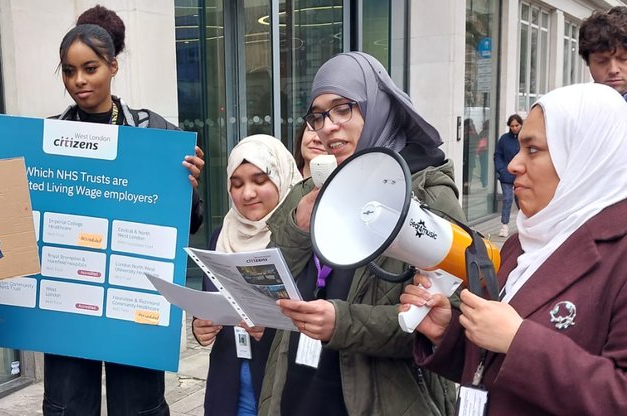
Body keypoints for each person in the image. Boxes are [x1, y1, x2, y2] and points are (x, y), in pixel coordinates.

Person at [405, 83, 627, 415]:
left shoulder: (619, 254)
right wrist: (446, 333)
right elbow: (490, 362)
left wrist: (520, 341)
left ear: (585, 156)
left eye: (533, 150)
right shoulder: (523, 241)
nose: (513, 165)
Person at [258, 52, 458, 416]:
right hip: (298, 389)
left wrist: (343, 323)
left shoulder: (428, 192)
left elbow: (445, 320)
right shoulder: (309, 191)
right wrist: (296, 229)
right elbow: (269, 281)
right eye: (317, 115)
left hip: (385, 399)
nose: (327, 126)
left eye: (343, 109)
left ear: (377, 107)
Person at [42, 6, 205, 416]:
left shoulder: (155, 133)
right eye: (69, 70)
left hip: (132, 298)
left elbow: (191, 223)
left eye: (90, 68)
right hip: (69, 297)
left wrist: (188, 188)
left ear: (113, 66)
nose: (78, 80)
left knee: (138, 407)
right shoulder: (46, 136)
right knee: (68, 406)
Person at [192, 134, 300, 416]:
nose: (247, 193)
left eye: (260, 181)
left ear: (281, 178)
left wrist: (273, 328)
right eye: (236, 184)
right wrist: (200, 326)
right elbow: (211, 302)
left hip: (282, 389)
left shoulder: (301, 239)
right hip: (230, 387)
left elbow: (326, 319)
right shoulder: (221, 235)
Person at [579, 6, 627, 99]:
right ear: (588, 62)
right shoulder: (574, 106)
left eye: (623, 59)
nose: (613, 70)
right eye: (601, 61)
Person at [494, 114, 522, 237]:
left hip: (521, 174)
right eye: (512, 126)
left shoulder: (525, 138)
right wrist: (501, 169)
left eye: (517, 125)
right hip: (506, 174)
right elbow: (498, 155)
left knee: (521, 200)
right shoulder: (504, 139)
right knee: (507, 199)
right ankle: (504, 226)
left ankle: (523, 225)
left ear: (521, 124)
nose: (515, 128)